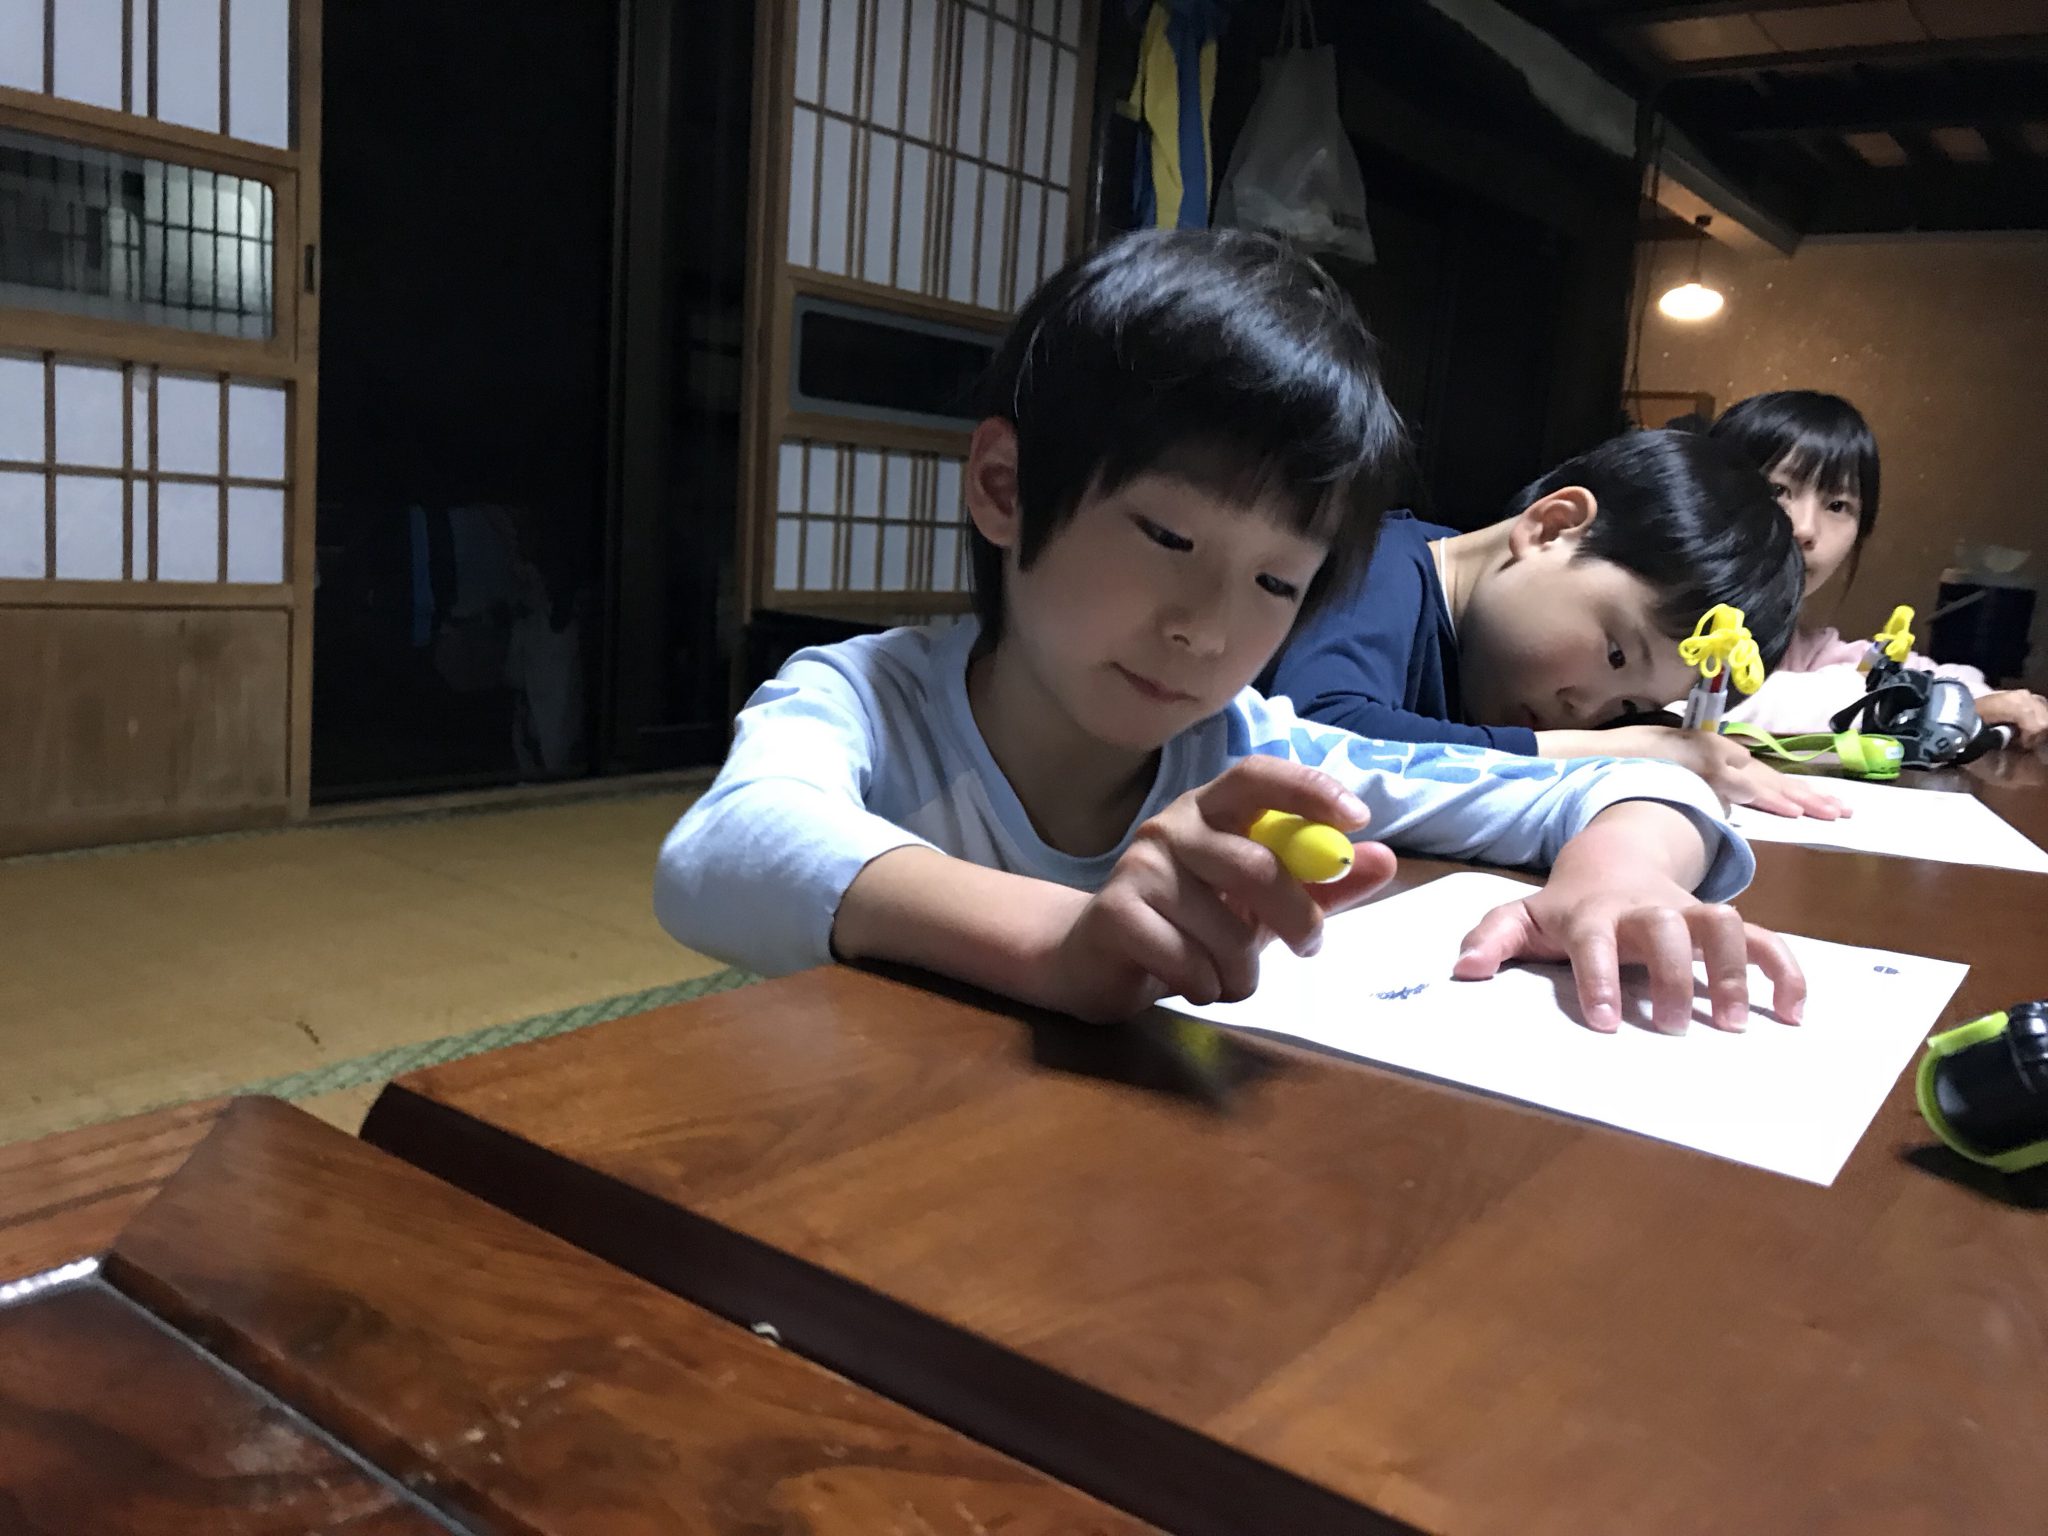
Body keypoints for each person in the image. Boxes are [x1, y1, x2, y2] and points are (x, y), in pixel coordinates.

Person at [655, 230, 1803, 1037]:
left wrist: (1613, 882)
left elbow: (1623, 786)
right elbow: (724, 851)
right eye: (1165, 536)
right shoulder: (863, 701)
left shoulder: (1255, 751)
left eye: (1274, 581)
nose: (1206, 631)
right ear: (1005, 488)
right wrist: (1063, 943)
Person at [1260, 433, 1843, 817]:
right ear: (1552, 528)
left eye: (1627, 707)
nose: (1585, 710)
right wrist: (1608, 749)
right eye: (1615, 654)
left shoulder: (1500, 663)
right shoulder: (1377, 564)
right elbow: (1324, 740)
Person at [1708, 390, 2048, 747]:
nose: (1805, 529)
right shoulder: (1672, 625)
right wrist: (1921, 707)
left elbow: (1937, 679)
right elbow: (1712, 704)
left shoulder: (1803, 649)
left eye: (1837, 505)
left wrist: (1974, 701)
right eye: (1778, 489)